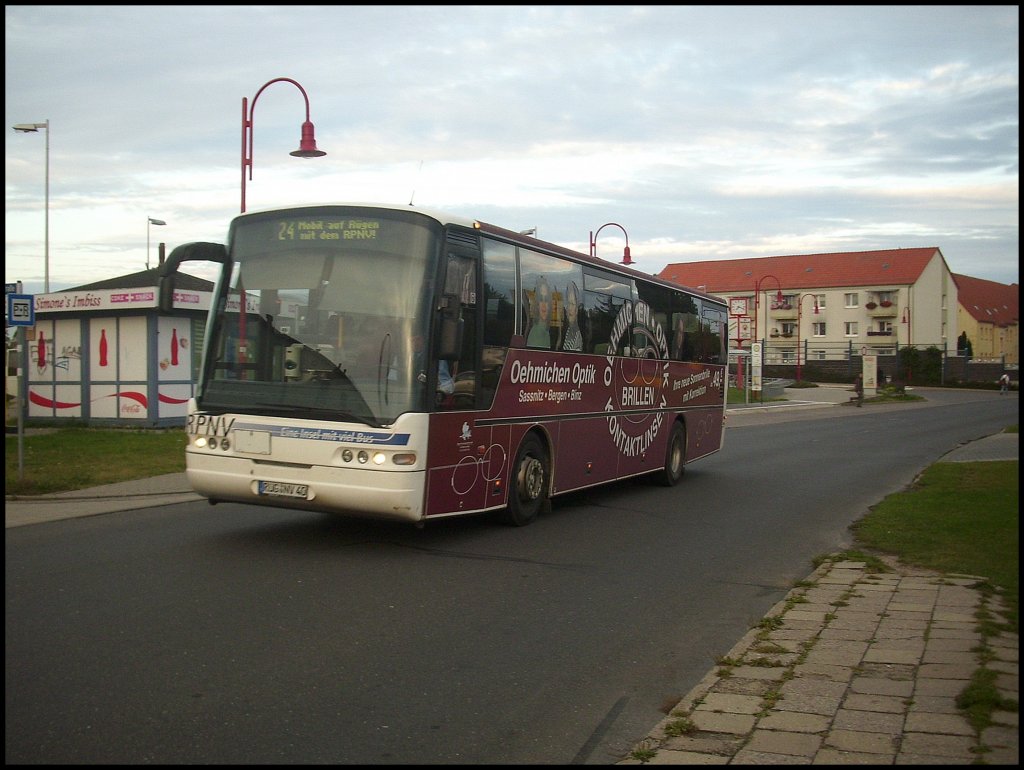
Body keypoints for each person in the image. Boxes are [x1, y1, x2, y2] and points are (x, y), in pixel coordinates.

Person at [527, 276, 552, 349]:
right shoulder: (536, 332)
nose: (544, 304)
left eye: (546, 299)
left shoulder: (546, 329)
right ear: (537, 304)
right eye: (541, 299)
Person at [561, 281, 583, 352]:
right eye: (568, 304)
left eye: (572, 304)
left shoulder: (579, 335)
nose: (569, 308)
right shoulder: (567, 330)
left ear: (577, 309)